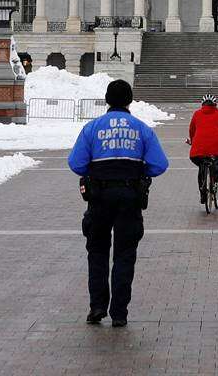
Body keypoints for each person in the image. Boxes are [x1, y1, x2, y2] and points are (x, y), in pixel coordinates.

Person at [67, 78, 169, 327]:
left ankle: (97, 306)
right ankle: (120, 312)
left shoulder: (92, 128)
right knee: (125, 254)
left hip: (99, 198)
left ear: (107, 100)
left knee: (98, 252)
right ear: (130, 100)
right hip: (129, 197)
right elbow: (160, 164)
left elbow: (76, 163)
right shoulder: (142, 129)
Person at [186, 93, 218, 202]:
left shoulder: (197, 113)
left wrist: (193, 141)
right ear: (215, 104)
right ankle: (215, 179)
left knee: (201, 166)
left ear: (202, 104)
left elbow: (191, 130)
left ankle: (202, 192)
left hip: (199, 148)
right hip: (217, 146)